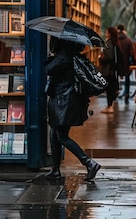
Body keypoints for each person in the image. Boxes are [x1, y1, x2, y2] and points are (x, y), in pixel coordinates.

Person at [44, 37, 101, 181]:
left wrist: (51, 58)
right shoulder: (72, 54)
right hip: (65, 100)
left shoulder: (64, 56)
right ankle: (55, 169)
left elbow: (48, 69)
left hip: (64, 101)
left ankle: (88, 163)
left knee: (61, 136)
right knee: (54, 134)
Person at [99, 27, 120, 113]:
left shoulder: (107, 43)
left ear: (109, 34)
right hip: (112, 69)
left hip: (108, 69)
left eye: (107, 32)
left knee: (109, 88)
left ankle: (109, 106)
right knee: (111, 87)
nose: (105, 33)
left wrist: (100, 59)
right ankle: (110, 104)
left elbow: (109, 57)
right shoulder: (114, 43)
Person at [117, 25, 135, 102]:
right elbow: (132, 53)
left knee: (116, 78)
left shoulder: (115, 40)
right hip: (127, 63)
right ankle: (126, 93)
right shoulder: (128, 40)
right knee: (127, 79)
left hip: (117, 63)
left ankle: (117, 92)